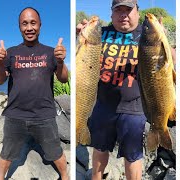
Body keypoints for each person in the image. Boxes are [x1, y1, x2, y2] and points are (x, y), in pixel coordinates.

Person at [76, 0, 176, 180]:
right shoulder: (101, 34)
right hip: (103, 105)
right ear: (112, 14)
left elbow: (171, 61)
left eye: (128, 10)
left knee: (132, 157)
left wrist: (165, 42)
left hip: (135, 107)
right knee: (99, 151)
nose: (124, 15)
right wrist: (78, 36)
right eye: (118, 10)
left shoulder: (145, 34)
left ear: (137, 12)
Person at [0, 7, 69, 180]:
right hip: (15, 115)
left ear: (40, 26)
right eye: (24, 24)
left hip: (44, 115)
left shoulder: (51, 52)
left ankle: (65, 175)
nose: (29, 27)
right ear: (19, 27)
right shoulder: (11, 53)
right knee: (6, 152)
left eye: (33, 23)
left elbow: (63, 79)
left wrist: (60, 61)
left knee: (55, 151)